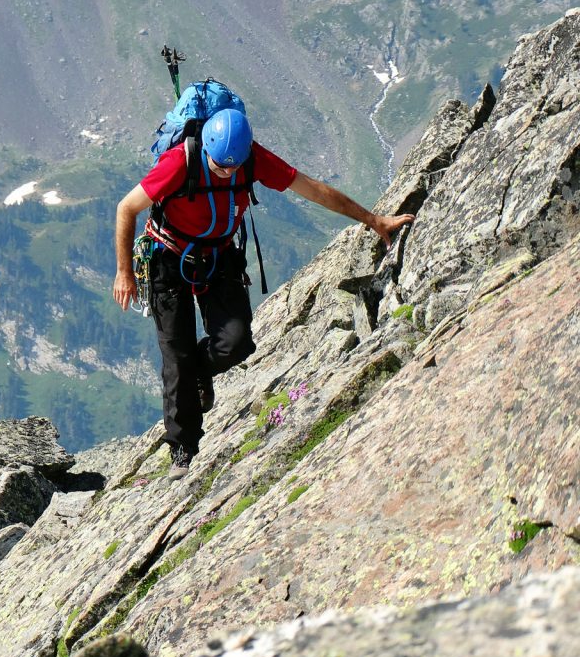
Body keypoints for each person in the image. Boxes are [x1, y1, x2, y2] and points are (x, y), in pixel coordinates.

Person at [113, 109, 414, 480]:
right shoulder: (180, 162)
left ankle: (198, 371)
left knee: (237, 343)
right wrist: (125, 272)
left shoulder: (251, 159)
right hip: (167, 258)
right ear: (205, 148)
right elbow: (126, 207)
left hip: (218, 256)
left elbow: (315, 190)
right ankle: (183, 449)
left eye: (232, 167)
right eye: (220, 166)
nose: (227, 172)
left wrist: (373, 220)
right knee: (176, 356)